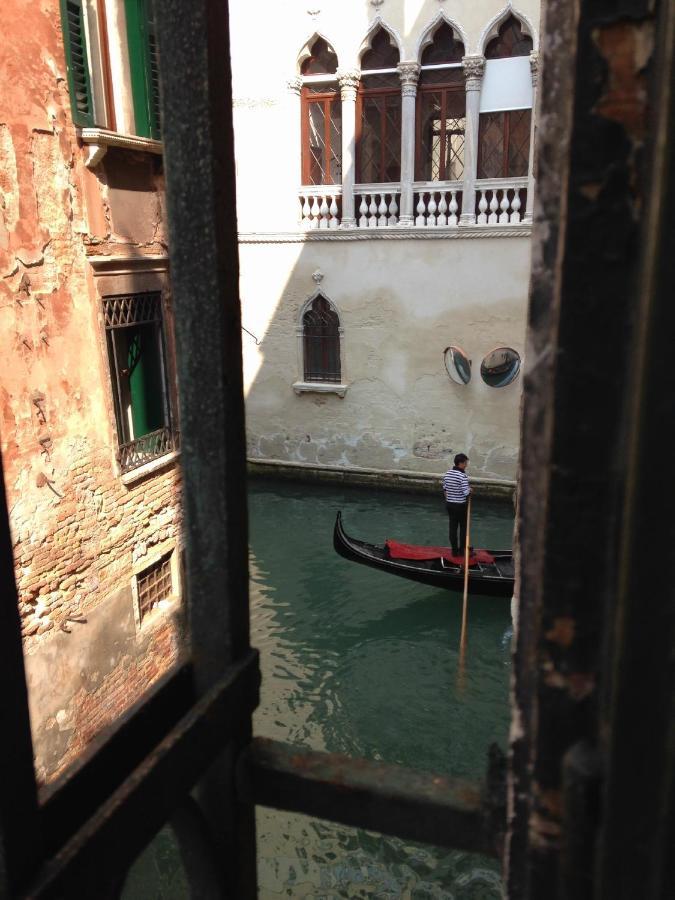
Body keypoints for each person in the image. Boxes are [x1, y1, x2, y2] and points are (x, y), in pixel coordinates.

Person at [442, 453, 471, 557]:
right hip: (461, 506)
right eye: (465, 463)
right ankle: (462, 551)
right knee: (463, 528)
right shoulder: (463, 476)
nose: (466, 465)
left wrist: (449, 500)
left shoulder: (447, 473)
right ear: (461, 463)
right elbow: (466, 492)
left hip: (450, 505)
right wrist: (470, 490)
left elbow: (444, 489)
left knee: (452, 528)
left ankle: (454, 551)